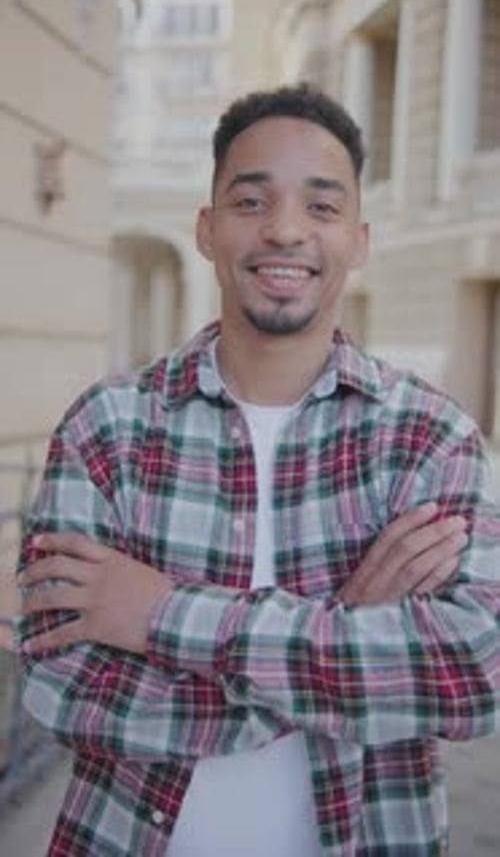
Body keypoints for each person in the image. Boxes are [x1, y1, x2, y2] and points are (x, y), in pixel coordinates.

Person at [17, 84, 500, 856]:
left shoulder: (429, 437)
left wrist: (163, 614)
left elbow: (475, 672)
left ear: (358, 241)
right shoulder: (107, 427)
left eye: (321, 206)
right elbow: (61, 688)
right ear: (206, 230)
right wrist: (347, 623)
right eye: (250, 201)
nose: (284, 230)